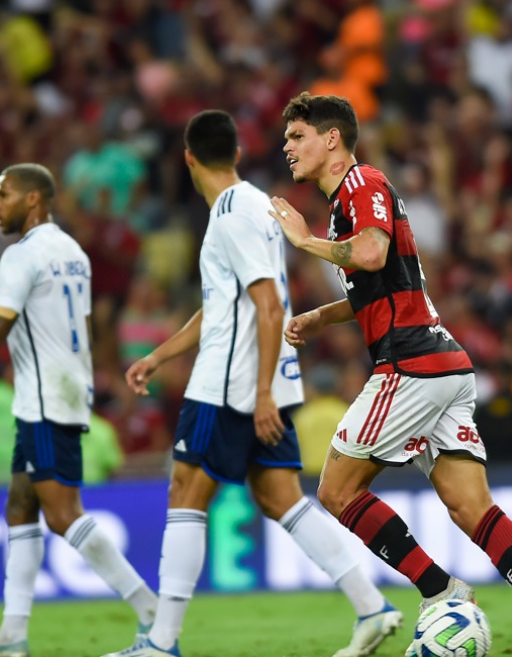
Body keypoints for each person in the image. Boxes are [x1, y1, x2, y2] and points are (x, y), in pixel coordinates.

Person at [268, 92, 512, 657]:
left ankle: (440, 591)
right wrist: (323, 315)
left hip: (410, 365)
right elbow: (385, 279)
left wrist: (303, 241)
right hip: (445, 366)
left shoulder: (361, 184)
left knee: (337, 491)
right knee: (471, 507)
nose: (287, 147)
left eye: (297, 136)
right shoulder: (351, 197)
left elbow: (368, 255)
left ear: (332, 139)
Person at [116, 110, 401, 657]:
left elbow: (268, 305)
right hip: (255, 377)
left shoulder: (231, 212)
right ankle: (372, 605)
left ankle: (161, 643)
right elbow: (223, 306)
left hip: (232, 383)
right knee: (278, 498)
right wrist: (158, 355)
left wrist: (263, 391)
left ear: (189, 159)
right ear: (237, 155)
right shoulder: (255, 207)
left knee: (185, 493)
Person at [0, 164, 157, 657]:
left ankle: (153, 613)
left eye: (3, 195)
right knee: (20, 506)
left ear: (34, 201)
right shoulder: (73, 252)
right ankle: (11, 637)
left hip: (45, 397)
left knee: (64, 515)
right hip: (57, 391)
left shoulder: (20, 256)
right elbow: (81, 330)